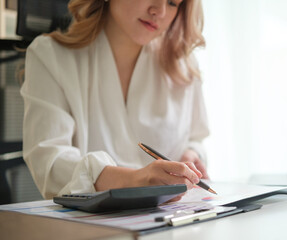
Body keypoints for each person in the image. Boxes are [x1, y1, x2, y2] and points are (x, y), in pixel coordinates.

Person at [20, 0, 209, 200]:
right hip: (89, 227)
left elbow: (196, 138)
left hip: (174, 220)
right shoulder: (51, 56)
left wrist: (191, 154)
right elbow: (50, 162)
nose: (159, 11)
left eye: (173, 2)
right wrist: (135, 180)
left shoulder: (184, 66)